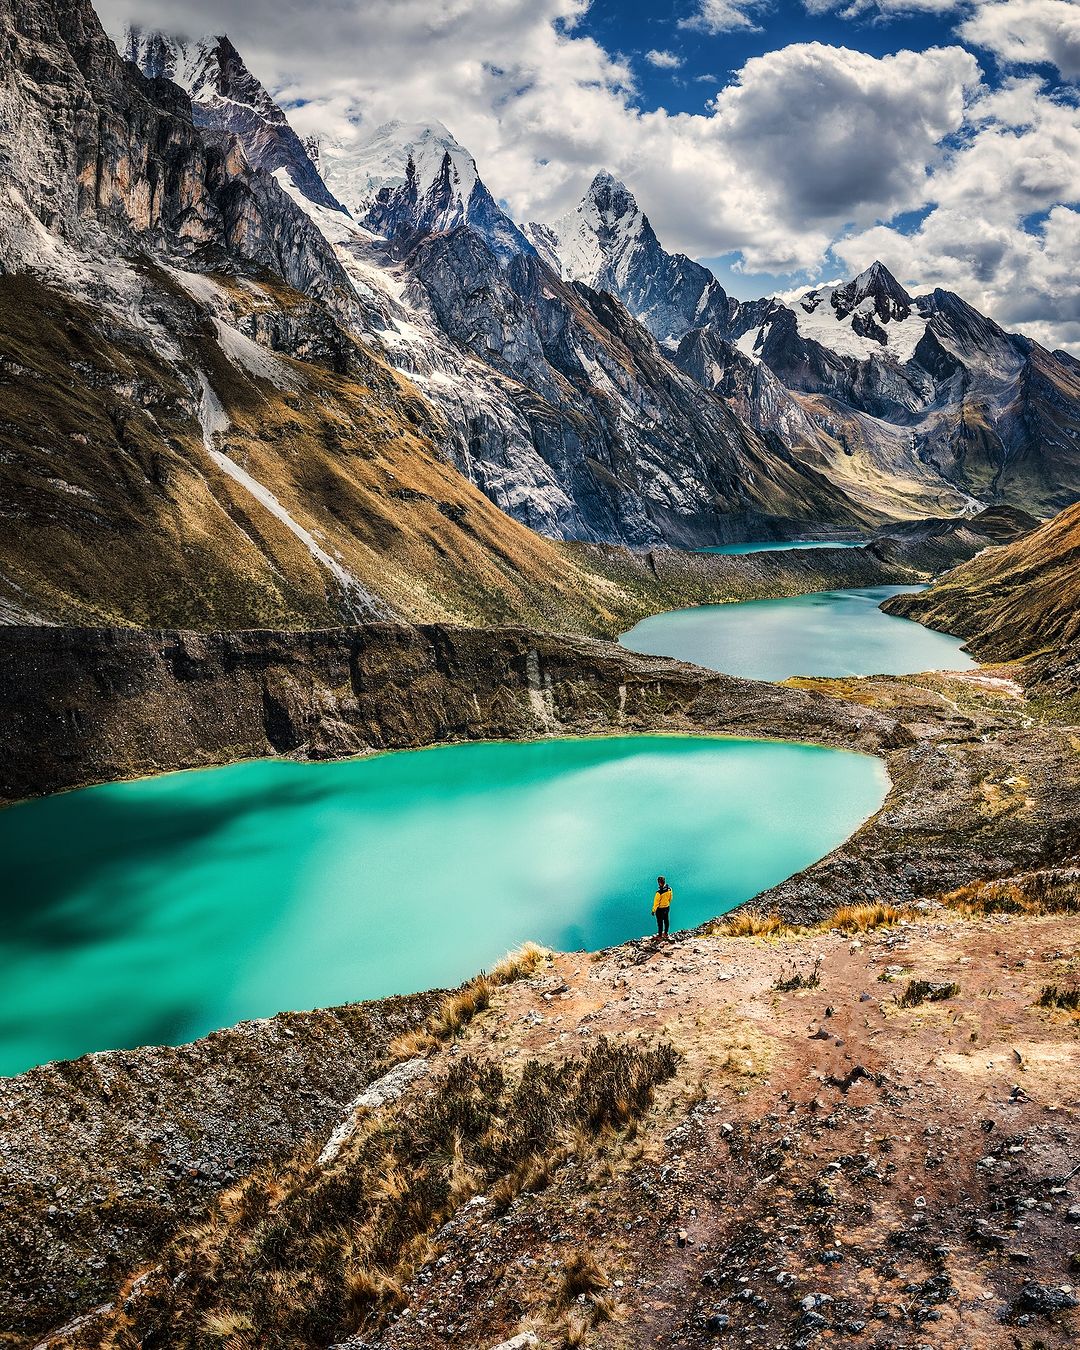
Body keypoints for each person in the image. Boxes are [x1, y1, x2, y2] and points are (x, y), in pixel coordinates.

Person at [652, 875, 672, 939]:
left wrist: (653, 910)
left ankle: (660, 935)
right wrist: (667, 903)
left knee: (660, 923)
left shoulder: (659, 893)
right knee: (666, 921)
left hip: (660, 910)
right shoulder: (669, 889)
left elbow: (656, 903)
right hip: (667, 907)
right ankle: (666, 933)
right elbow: (670, 898)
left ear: (659, 882)